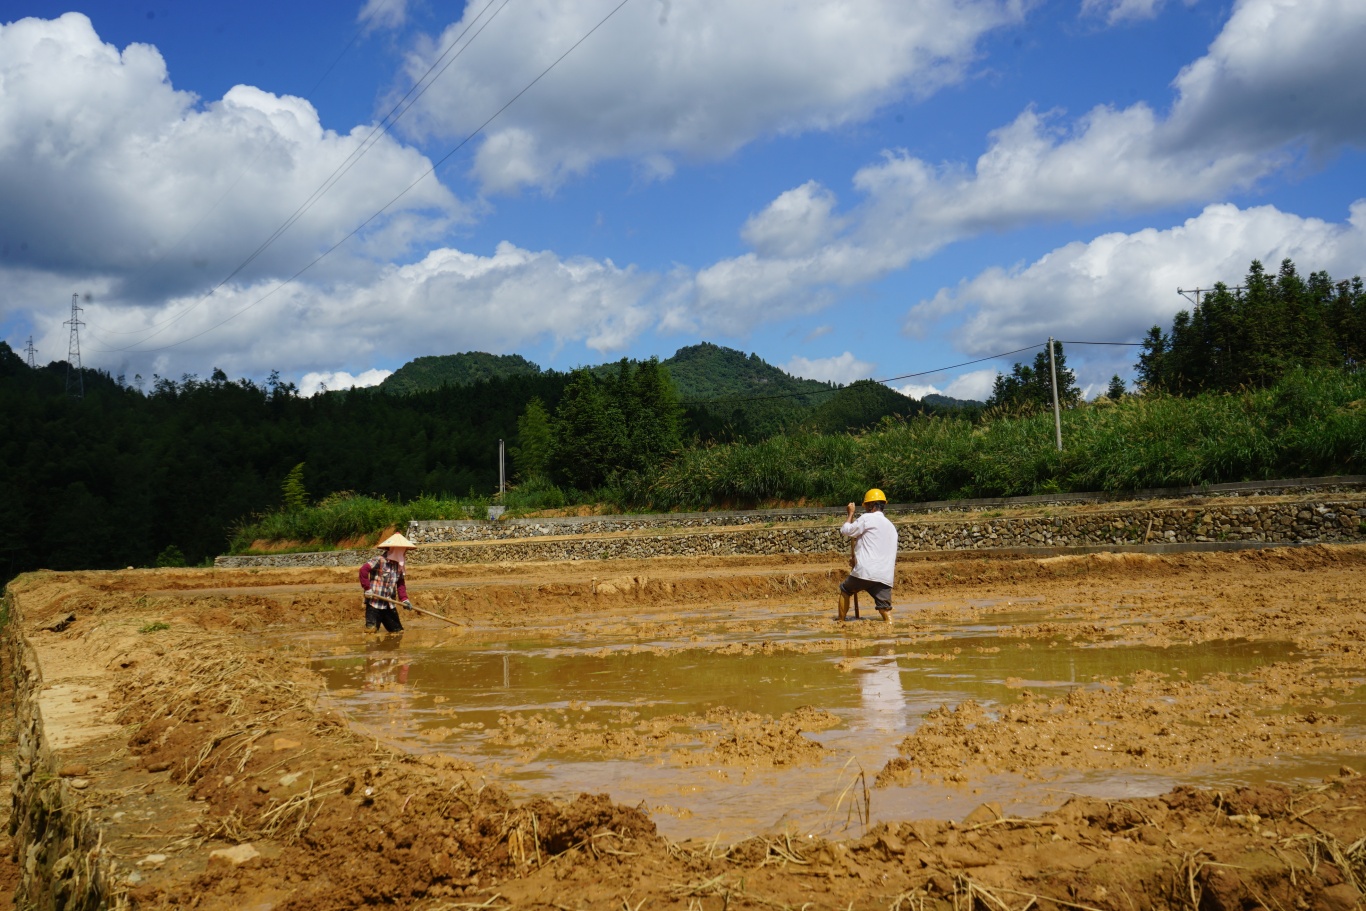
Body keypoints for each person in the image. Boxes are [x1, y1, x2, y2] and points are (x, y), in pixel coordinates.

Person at [838, 488, 898, 623]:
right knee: (885, 609)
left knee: (845, 590)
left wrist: (850, 514)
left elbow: (846, 530)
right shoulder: (891, 527)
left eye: (866, 506)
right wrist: (856, 559)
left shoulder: (867, 518)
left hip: (866, 571)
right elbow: (875, 547)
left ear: (871, 506)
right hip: (885, 575)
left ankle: (840, 622)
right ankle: (890, 628)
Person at [359, 533, 416, 632]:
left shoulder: (399, 566)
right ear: (396, 550)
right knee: (371, 633)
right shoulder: (379, 561)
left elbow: (401, 584)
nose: (405, 552)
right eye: (403, 550)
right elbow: (363, 570)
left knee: (398, 632)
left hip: (389, 604)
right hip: (374, 604)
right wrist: (367, 588)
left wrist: (404, 599)